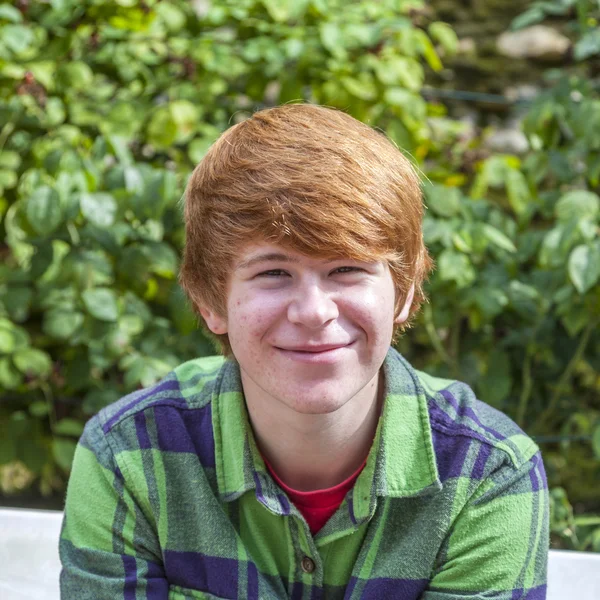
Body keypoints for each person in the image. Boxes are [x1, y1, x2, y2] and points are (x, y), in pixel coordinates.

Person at [59, 104, 549, 599]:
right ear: (210, 300)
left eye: (347, 269)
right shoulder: (128, 455)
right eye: (273, 273)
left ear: (402, 292)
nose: (314, 312)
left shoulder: (486, 474)